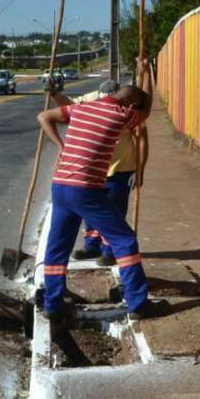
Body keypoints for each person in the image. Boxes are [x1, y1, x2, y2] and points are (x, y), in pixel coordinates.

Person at [37, 58, 160, 321]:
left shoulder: (83, 108)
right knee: (124, 240)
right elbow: (148, 108)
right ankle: (138, 303)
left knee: (58, 247)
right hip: (85, 188)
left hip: (60, 185)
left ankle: (53, 304)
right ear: (128, 106)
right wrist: (146, 73)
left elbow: (45, 116)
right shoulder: (121, 115)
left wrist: (61, 146)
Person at [46, 79, 148, 266]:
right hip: (92, 171)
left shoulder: (127, 111)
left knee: (114, 213)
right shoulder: (92, 100)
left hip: (119, 168)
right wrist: (54, 94)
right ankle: (91, 245)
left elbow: (142, 139)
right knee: (90, 213)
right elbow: (67, 106)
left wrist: (140, 169)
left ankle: (109, 251)